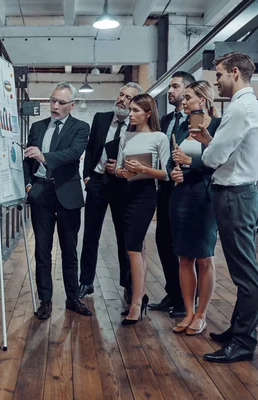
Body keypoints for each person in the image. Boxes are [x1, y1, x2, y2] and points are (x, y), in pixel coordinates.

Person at [192, 52, 258, 363]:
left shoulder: (240, 109)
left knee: (245, 273)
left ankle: (244, 341)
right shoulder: (255, 108)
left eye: (220, 75)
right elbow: (229, 151)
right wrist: (213, 142)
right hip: (243, 192)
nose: (217, 81)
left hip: (234, 195)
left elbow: (213, 158)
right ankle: (239, 329)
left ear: (235, 72)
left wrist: (208, 147)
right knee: (244, 268)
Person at [23, 82, 92, 320]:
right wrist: (29, 184)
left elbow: (73, 154)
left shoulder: (81, 128)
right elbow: (26, 159)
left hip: (67, 193)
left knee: (69, 250)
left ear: (71, 105)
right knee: (42, 250)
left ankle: (73, 298)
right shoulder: (37, 127)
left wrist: (44, 157)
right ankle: (45, 300)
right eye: (52, 100)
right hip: (41, 192)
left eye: (61, 103)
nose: (54, 106)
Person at [79, 82, 142, 303]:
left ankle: (128, 284)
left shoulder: (137, 126)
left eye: (128, 98)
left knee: (123, 237)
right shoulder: (101, 118)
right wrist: (86, 176)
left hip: (122, 186)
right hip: (96, 182)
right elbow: (89, 150)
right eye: (121, 94)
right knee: (90, 234)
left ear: (135, 104)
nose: (122, 99)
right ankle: (86, 282)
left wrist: (122, 167)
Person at [168, 81, 221, 336]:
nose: (183, 101)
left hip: (205, 196)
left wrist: (192, 162)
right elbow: (172, 159)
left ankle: (201, 313)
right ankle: (188, 312)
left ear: (202, 100)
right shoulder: (180, 126)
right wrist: (174, 172)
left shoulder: (218, 127)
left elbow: (221, 163)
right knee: (184, 256)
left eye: (188, 97)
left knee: (204, 257)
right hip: (180, 196)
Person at [115, 94, 169, 325]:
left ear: (148, 113)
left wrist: (144, 169)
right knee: (138, 248)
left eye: (136, 110)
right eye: (131, 110)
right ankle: (140, 296)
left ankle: (136, 303)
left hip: (145, 195)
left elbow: (166, 174)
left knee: (133, 248)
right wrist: (124, 172)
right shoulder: (125, 136)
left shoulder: (159, 137)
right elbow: (117, 168)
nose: (131, 114)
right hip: (125, 193)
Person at [149, 71, 196, 318]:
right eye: (170, 87)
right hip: (164, 188)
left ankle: (188, 299)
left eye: (175, 87)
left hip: (187, 188)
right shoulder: (166, 120)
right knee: (163, 241)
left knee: (185, 246)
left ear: (188, 90)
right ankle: (173, 292)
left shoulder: (195, 122)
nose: (170, 91)